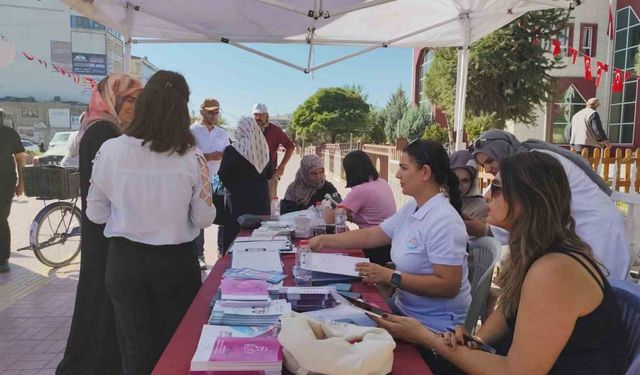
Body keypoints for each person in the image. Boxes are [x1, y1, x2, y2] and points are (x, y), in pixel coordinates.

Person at [372, 152, 627, 375]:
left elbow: (517, 371)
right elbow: (508, 311)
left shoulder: (554, 270)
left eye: (496, 187)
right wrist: (475, 340)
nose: (485, 195)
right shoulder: (534, 251)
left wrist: (427, 338)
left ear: (527, 199)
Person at [86, 70, 216, 374]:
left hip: (125, 263)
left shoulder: (111, 150)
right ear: (182, 109)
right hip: (175, 264)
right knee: (178, 349)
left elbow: (95, 214)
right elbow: (204, 217)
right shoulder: (190, 156)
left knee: (135, 352)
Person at [310, 140, 470, 333]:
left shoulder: (444, 221)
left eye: (404, 167)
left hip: (432, 327)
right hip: (403, 311)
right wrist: (323, 241)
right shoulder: (413, 207)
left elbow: (448, 286)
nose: (397, 174)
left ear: (425, 172)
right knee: (327, 313)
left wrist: (390, 276)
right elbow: (373, 235)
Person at [57, 73, 141, 375]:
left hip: (103, 228)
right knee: (100, 299)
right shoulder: (103, 132)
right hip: (104, 229)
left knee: (101, 298)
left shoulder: (104, 128)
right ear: (113, 99)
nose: (136, 107)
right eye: (131, 100)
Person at [467, 129, 630, 279]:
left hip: (597, 232)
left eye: (490, 160)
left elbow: (529, 211)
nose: (488, 168)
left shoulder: (533, 165)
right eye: (483, 165)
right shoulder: (528, 160)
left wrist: (485, 229)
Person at [218, 117, 272, 252]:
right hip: (260, 202)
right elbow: (270, 174)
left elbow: (223, 174)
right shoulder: (263, 150)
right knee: (259, 239)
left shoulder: (231, 150)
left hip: (236, 204)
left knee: (235, 239)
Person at [190, 98, 230, 269]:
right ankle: (199, 255)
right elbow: (186, 156)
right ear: (202, 111)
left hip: (220, 181)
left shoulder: (222, 133)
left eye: (217, 111)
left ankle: (223, 254)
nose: (214, 115)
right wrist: (209, 156)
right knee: (200, 218)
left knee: (223, 218)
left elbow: (229, 155)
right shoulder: (191, 131)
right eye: (211, 111)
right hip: (198, 180)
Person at [340, 150, 396, 265]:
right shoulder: (382, 182)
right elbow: (372, 214)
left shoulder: (360, 190)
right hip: (390, 242)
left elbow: (334, 216)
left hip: (372, 245)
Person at [253, 103, 295, 198]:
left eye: (261, 114)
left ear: (267, 115)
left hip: (270, 176)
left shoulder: (275, 130)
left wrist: (282, 165)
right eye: (255, 114)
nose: (257, 117)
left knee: (270, 205)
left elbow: (290, 146)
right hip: (251, 176)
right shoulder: (249, 130)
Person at [0, 125, 25, 273]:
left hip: (5, 183)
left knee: (1, 219)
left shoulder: (8, 133)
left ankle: (3, 259)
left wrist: (22, 182)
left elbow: (20, 158)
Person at [449, 150, 488, 221]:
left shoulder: (480, 207)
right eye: (455, 179)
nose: (459, 186)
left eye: (465, 181)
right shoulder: (440, 199)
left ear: (472, 182)